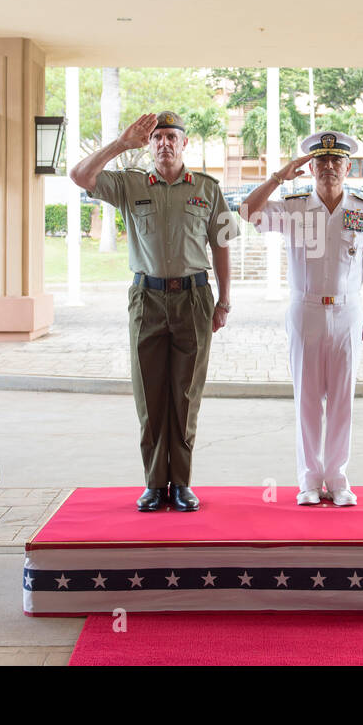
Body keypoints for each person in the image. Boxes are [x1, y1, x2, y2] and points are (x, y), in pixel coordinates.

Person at [70, 111, 231, 512]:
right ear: (150, 143)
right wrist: (121, 144)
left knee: (185, 395)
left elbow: (222, 245)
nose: (163, 143)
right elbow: (80, 176)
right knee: (149, 394)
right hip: (147, 300)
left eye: (171, 137)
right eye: (157, 137)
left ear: (184, 143)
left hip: (194, 298)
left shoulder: (208, 189)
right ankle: (155, 484)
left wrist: (224, 300)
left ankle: (181, 483)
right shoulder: (131, 184)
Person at [240, 131, 363, 506]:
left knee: (342, 400)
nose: (328, 168)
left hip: (347, 312)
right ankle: (309, 481)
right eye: (321, 162)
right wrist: (278, 177)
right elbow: (247, 212)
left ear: (348, 166)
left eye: (335, 161)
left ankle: (338, 480)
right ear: (310, 167)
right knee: (307, 400)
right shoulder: (293, 207)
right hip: (305, 310)